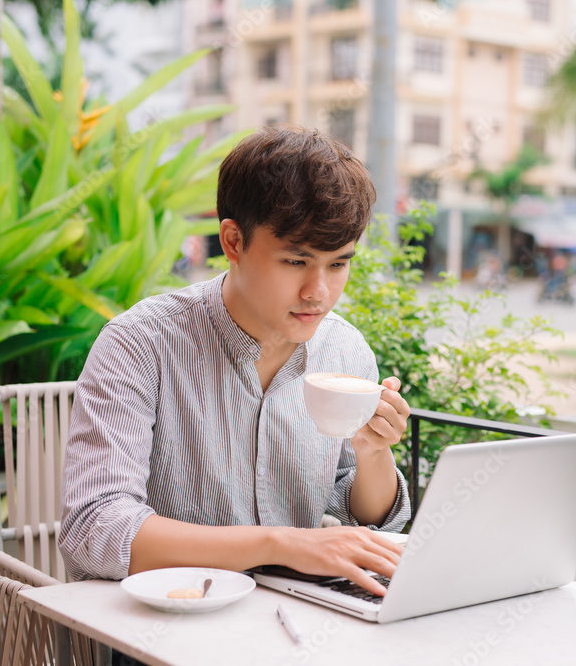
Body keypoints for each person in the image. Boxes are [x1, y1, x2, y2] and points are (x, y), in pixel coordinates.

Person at [58, 125, 412, 601]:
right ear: (233, 242)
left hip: (295, 619)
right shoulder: (141, 344)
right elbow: (94, 529)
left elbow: (361, 516)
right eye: (295, 262)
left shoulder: (345, 351)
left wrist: (374, 452)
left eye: (338, 264)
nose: (319, 293)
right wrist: (283, 544)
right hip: (159, 627)